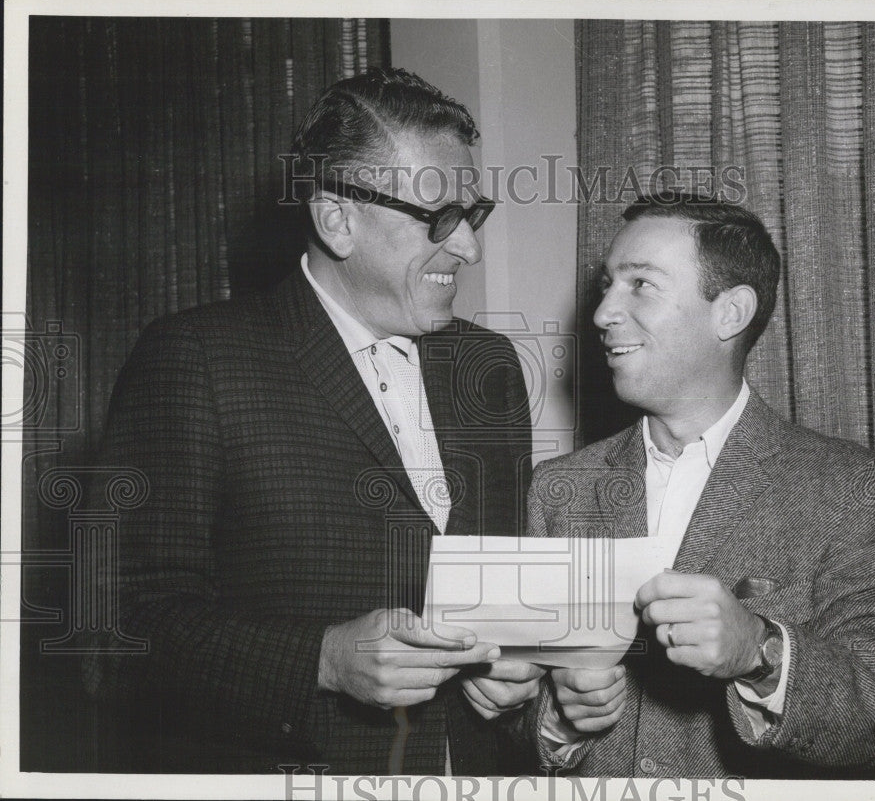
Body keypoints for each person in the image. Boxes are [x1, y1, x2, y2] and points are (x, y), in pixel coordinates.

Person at [82, 67, 538, 775]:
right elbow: (116, 633)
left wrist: (514, 670)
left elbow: (497, 597)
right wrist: (321, 661)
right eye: (439, 219)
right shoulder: (196, 359)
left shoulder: (489, 366)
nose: (469, 249)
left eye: (473, 215)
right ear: (336, 219)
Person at [470, 192, 875, 778]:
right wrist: (559, 719)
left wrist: (760, 651)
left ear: (730, 313)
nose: (603, 313)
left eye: (640, 284)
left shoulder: (851, 489)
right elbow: (517, 712)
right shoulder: (559, 491)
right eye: (608, 283)